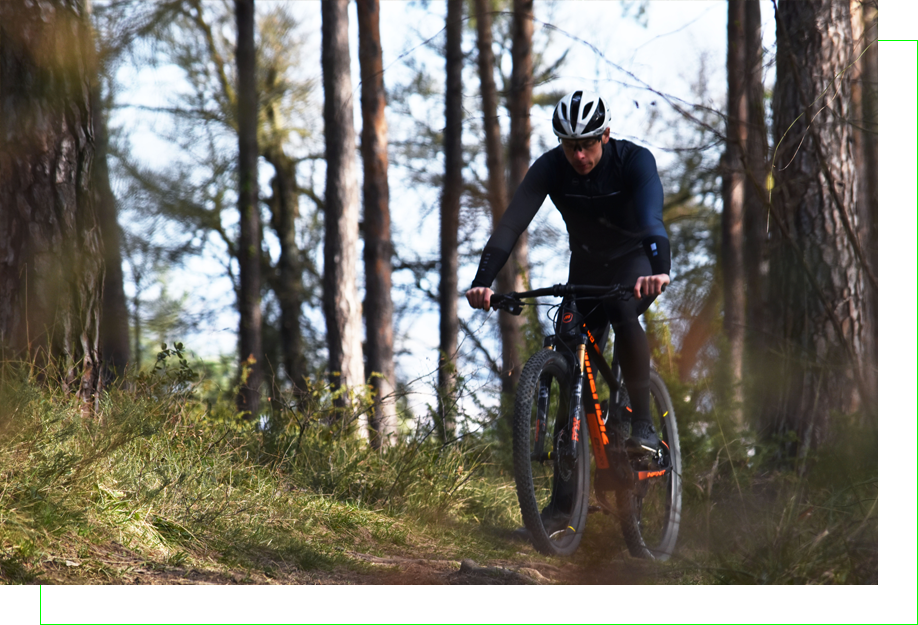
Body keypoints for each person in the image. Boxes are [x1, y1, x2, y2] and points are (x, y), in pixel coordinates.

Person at [465, 89, 670, 453]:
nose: (579, 156)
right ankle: (569, 474)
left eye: (587, 144)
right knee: (568, 341)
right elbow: (511, 225)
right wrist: (482, 281)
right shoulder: (551, 167)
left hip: (634, 262)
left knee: (621, 309)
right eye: (570, 146)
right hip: (587, 266)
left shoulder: (634, 161)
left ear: (605, 135)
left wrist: (659, 270)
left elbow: (652, 221)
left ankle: (643, 424)